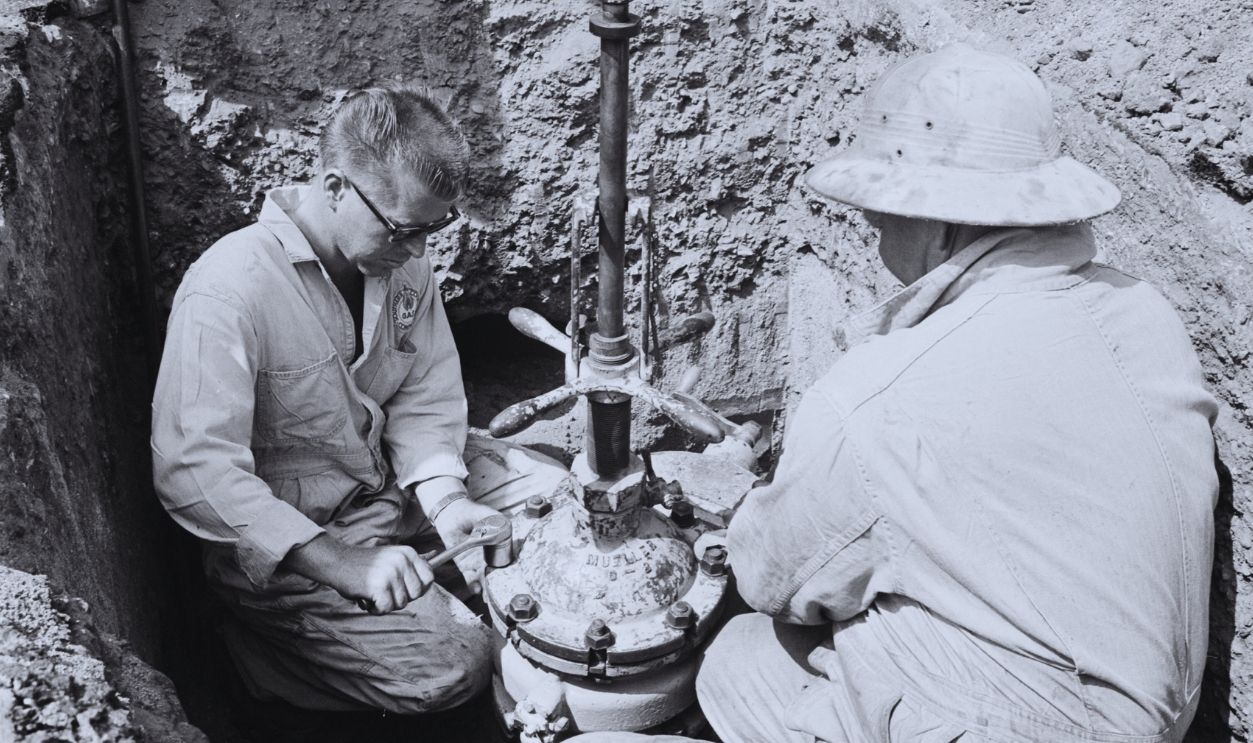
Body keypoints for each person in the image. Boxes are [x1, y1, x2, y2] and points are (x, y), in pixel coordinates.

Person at [694, 44, 1220, 743]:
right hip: (1160, 712)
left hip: (1039, 727)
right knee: (788, 640)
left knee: (736, 658)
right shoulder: (1140, 309)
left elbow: (772, 580)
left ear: (942, 223)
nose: (871, 224)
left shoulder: (878, 397)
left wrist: (740, 495)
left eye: (881, 206)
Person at [151, 84, 568, 714]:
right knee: (455, 668)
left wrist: (449, 502)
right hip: (300, 542)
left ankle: (434, 580)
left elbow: (425, 399)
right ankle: (262, 662)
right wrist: (342, 563)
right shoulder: (228, 290)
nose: (422, 250)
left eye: (435, 228)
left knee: (556, 505)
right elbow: (194, 470)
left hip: (394, 494)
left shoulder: (404, 267)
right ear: (336, 187)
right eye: (405, 228)